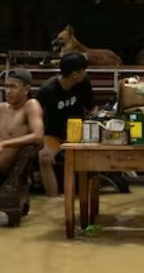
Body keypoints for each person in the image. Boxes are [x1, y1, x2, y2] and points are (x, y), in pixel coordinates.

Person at [35, 51, 95, 198]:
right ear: (75, 74)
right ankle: (54, 199)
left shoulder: (84, 82)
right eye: (83, 70)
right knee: (44, 159)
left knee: (80, 158)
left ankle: (77, 197)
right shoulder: (47, 90)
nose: (85, 73)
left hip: (78, 133)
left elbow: (92, 108)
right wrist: (43, 144)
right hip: (53, 134)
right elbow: (35, 116)